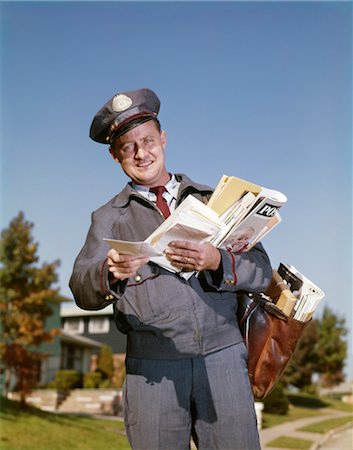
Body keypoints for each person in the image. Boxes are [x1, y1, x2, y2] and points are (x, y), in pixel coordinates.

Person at [69, 88, 272, 450]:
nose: (141, 153)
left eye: (147, 140)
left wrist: (216, 260)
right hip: (152, 371)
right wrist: (108, 272)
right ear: (115, 157)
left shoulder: (214, 201)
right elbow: (81, 289)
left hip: (223, 359)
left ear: (163, 139)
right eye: (128, 147)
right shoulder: (107, 220)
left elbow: (261, 271)